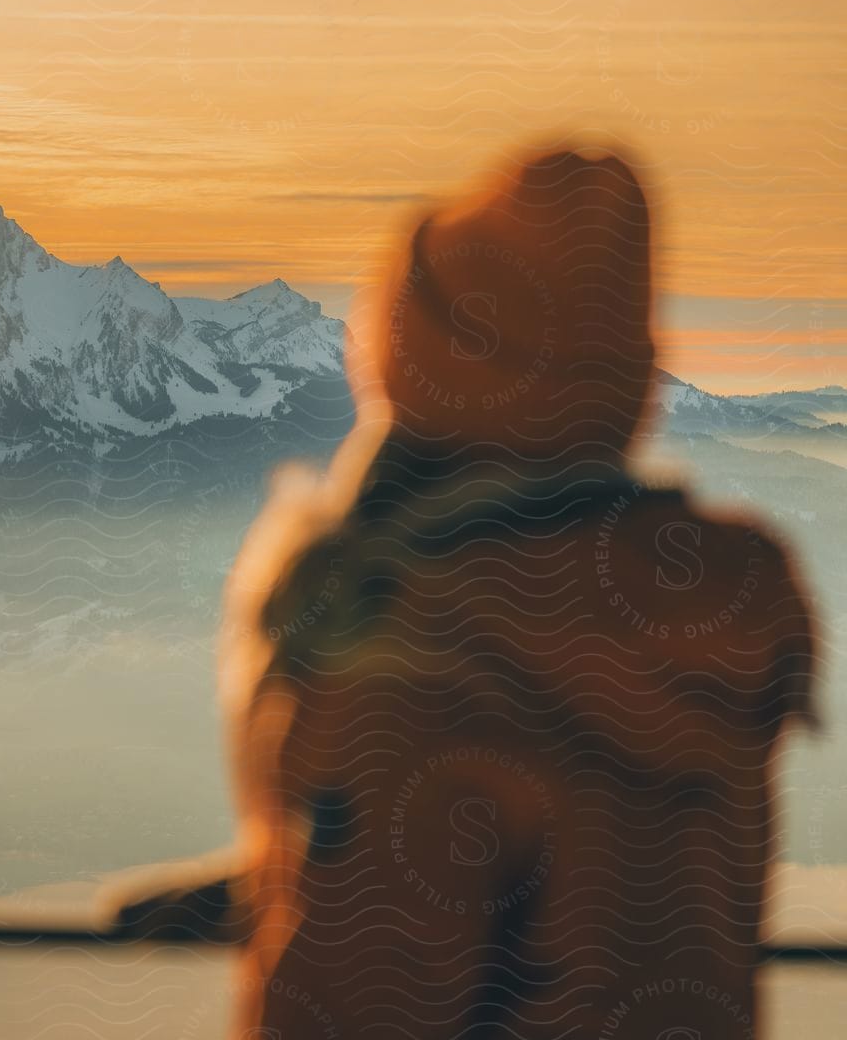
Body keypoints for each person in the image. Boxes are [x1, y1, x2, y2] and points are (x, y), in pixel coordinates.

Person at [219, 143, 817, 1038]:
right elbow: (598, 882)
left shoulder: (416, 653)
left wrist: (312, 875)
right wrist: (270, 884)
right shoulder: (696, 630)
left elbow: (359, 998)